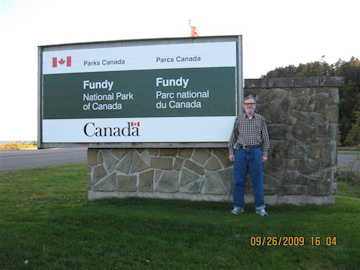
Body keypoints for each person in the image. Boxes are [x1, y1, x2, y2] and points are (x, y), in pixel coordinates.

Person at [228, 95, 270, 216]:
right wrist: (231, 151)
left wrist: (264, 153)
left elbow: (266, 138)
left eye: (251, 103)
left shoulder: (260, 119)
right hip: (240, 152)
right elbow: (233, 136)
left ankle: (260, 208)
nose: (249, 106)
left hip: (256, 152)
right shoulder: (239, 119)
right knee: (238, 181)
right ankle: (238, 207)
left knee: (257, 181)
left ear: (255, 106)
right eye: (247, 104)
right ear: (243, 106)